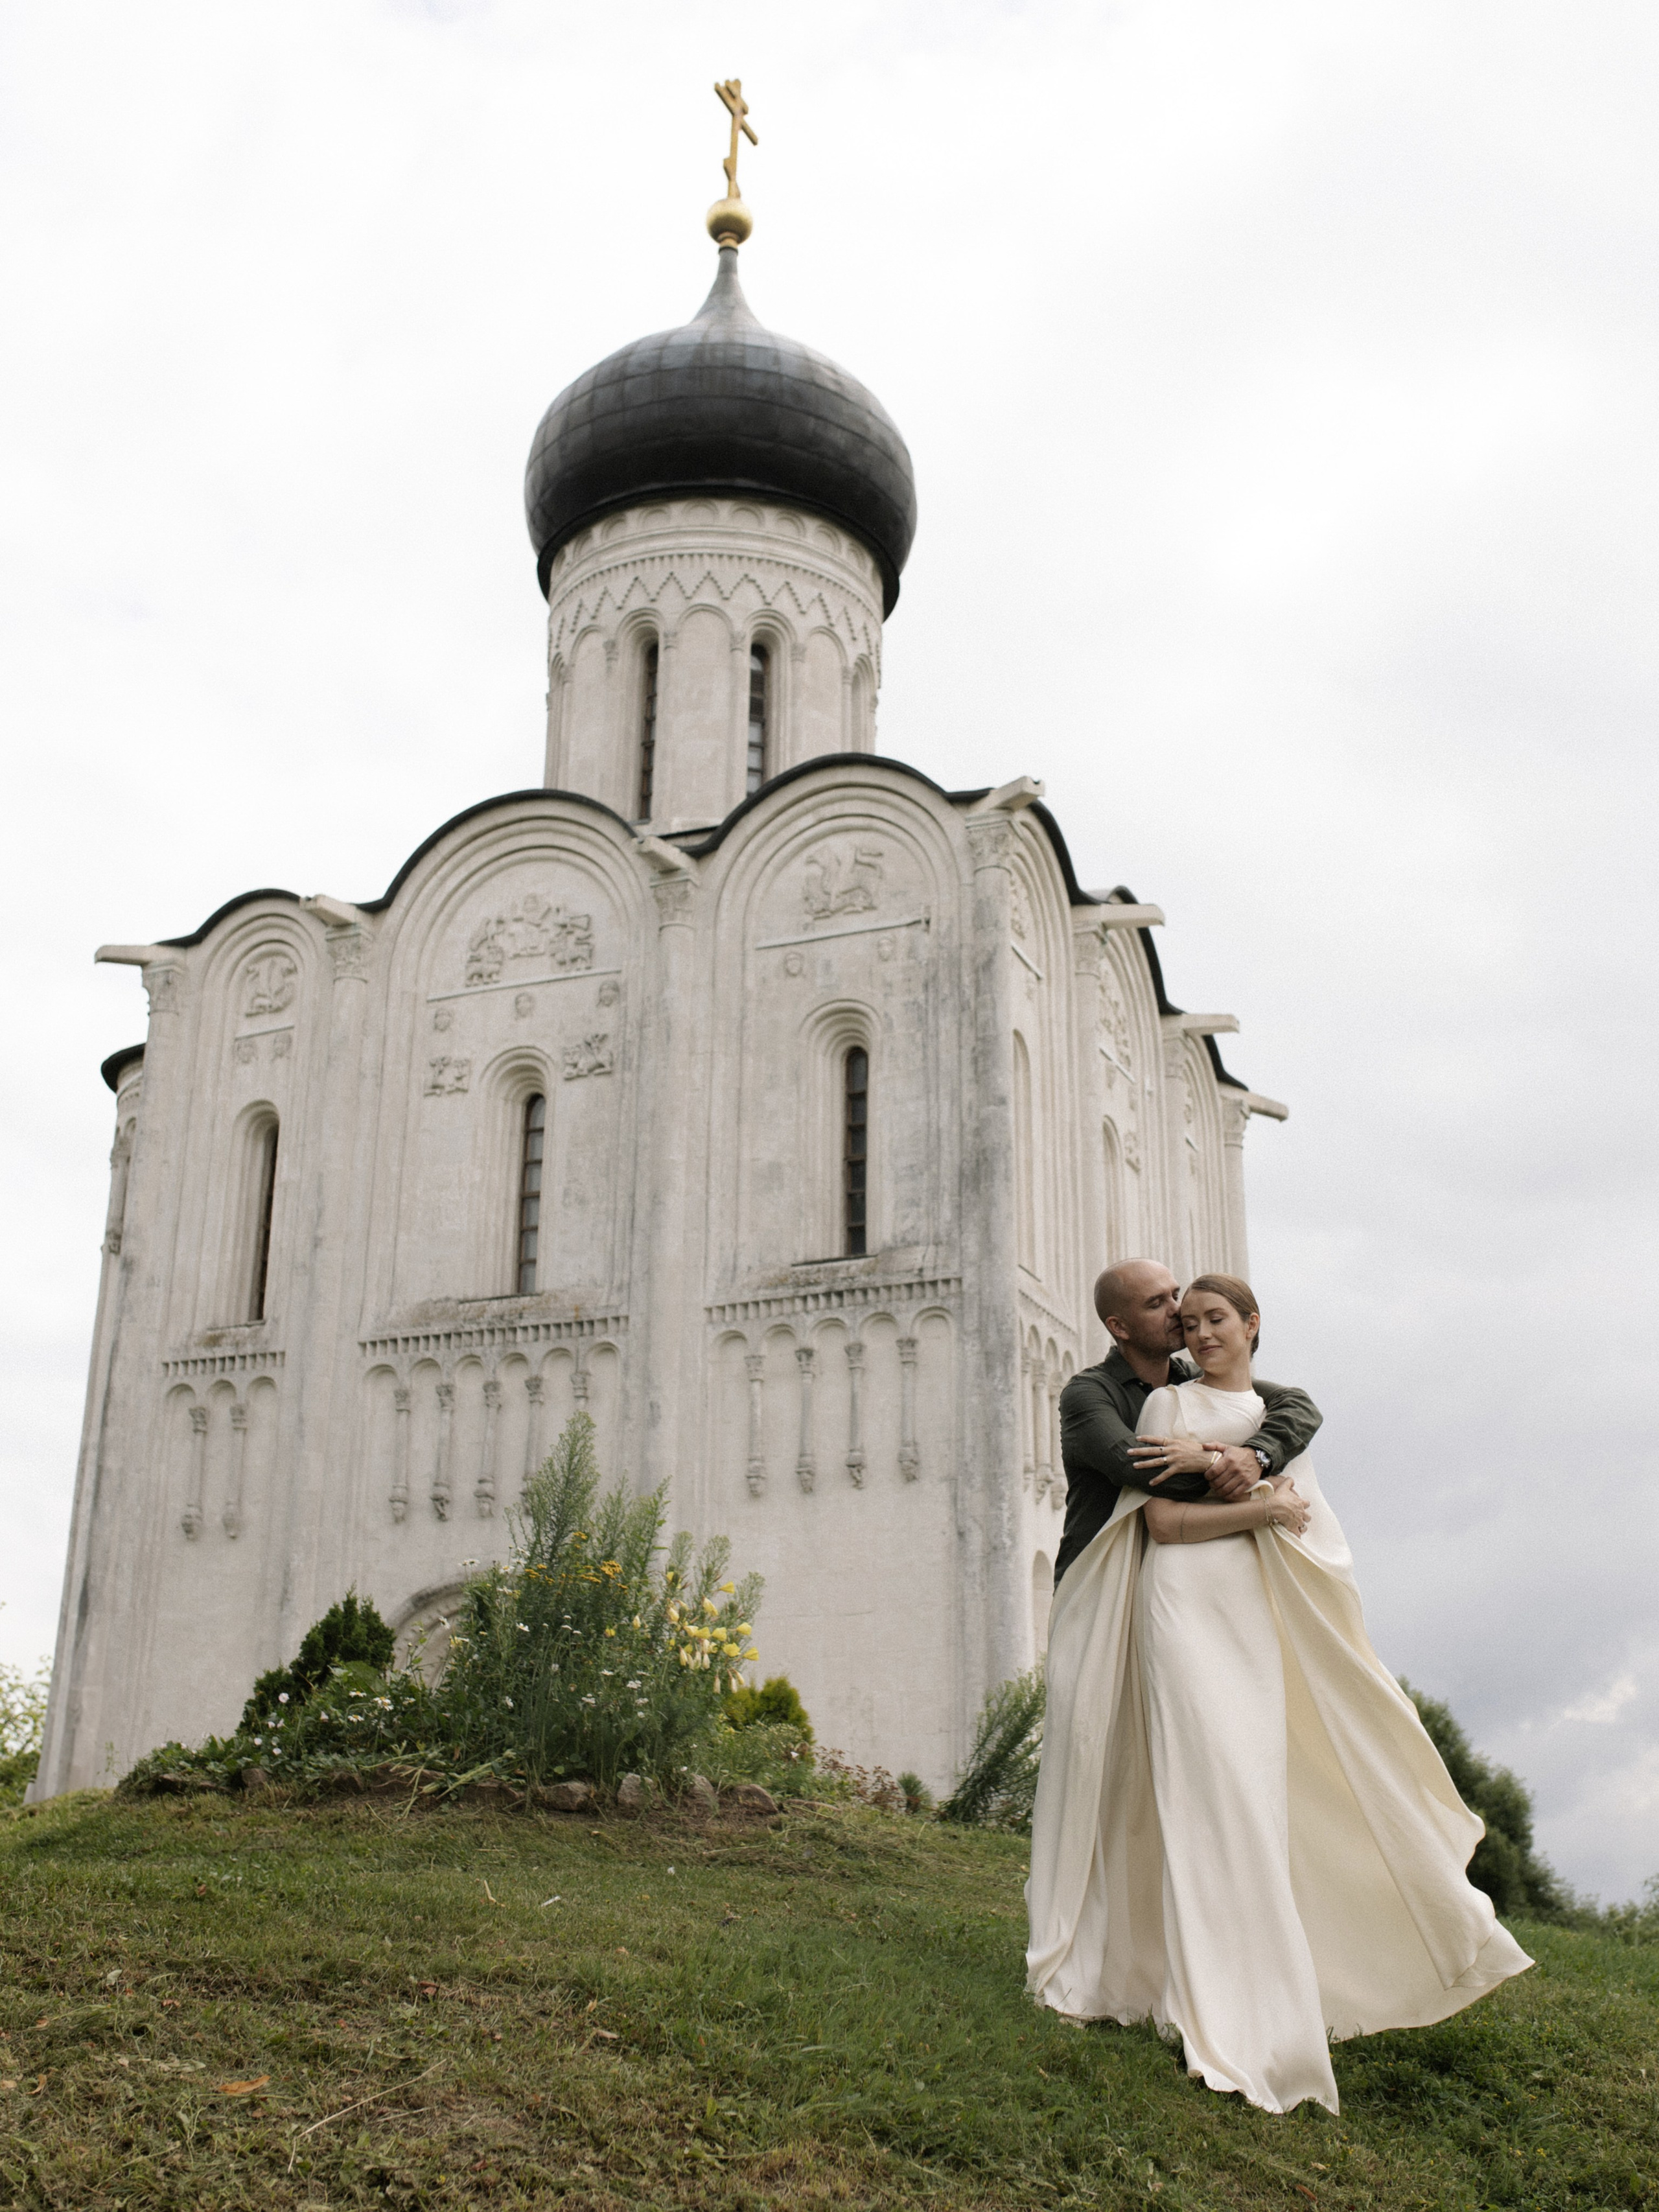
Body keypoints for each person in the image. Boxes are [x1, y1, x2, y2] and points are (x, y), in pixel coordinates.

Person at [1027, 1272, 1531, 2115]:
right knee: (1200, 1791)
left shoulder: (1263, 1408)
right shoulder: (1129, 1402)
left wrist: (1245, 1457)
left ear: (1251, 1324)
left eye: (1208, 1315)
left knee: (1262, 1796)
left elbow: (1289, 1416)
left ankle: (1289, 1975)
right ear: (1127, 1325)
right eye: (1178, 1316)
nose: (1191, 1327)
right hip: (1172, 1602)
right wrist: (1247, 1490)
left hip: (1248, 1617)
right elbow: (1154, 1508)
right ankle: (1205, 2003)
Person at [1054, 1259, 1322, 1588]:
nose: (1177, 1310)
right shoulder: (1088, 1394)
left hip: (1181, 1576)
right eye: (1157, 1304)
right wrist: (1249, 1482)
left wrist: (1257, 1457)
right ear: (1119, 1328)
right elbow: (1147, 1470)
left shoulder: (1195, 1380)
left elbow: (1298, 1405)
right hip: (1099, 1581)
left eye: (1175, 1295)